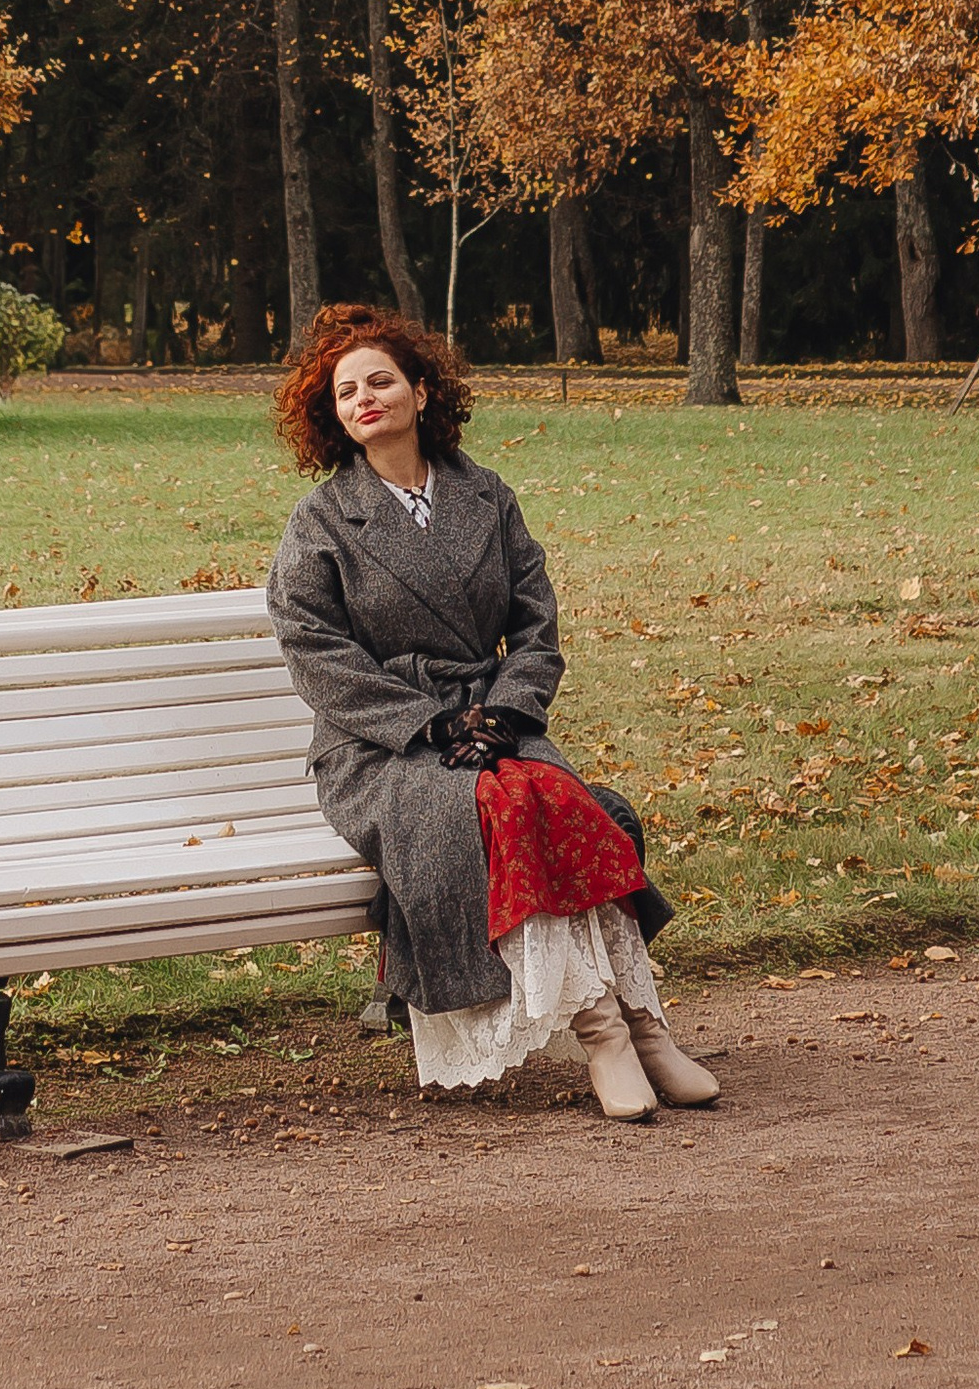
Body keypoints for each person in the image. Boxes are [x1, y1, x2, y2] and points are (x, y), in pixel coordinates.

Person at [265, 303, 720, 1123]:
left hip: (493, 727)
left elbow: (536, 626)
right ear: (332, 417)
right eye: (346, 392)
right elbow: (316, 654)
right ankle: (608, 1035)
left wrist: (507, 714)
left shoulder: (486, 496)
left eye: (381, 381)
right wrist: (429, 725)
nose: (365, 398)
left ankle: (649, 1031)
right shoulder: (322, 522)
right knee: (512, 804)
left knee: (564, 799)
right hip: (382, 750)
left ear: (422, 390)